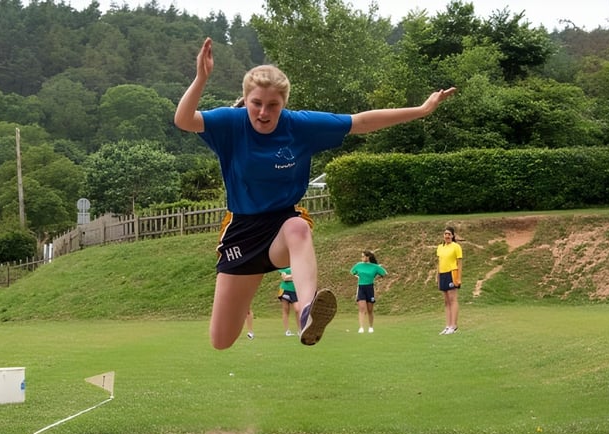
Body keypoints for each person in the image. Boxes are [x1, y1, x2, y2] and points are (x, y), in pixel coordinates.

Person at [175, 37, 458, 349]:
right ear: (246, 100)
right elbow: (184, 120)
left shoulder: (300, 126)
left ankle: (308, 312)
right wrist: (201, 78)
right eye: (256, 104)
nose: (264, 113)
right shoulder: (230, 123)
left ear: (284, 104)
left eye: (273, 105)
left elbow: (361, 122)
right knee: (221, 340)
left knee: (298, 227)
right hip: (242, 230)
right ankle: (251, 302)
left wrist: (421, 110)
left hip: (281, 225)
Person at [350, 250, 387, 333]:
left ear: (368, 257)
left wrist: (376, 277)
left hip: (370, 288)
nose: (362, 258)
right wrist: (358, 277)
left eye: (363, 256)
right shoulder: (358, 265)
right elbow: (352, 272)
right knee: (362, 308)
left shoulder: (375, 267)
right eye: (361, 256)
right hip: (361, 288)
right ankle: (361, 327)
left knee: (370, 309)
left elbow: (384, 274)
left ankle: (370, 327)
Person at [436, 226, 463, 335]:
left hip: (452, 273)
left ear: (452, 236)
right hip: (442, 274)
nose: (447, 236)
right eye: (445, 234)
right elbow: (439, 262)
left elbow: (459, 263)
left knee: (453, 299)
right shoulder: (440, 247)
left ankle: (454, 326)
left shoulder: (456, 247)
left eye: (449, 234)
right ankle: (447, 326)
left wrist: (459, 278)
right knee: (446, 301)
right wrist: (437, 276)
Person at [277, 267, 301, 336]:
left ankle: (300, 330)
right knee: (286, 309)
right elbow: (285, 278)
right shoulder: (283, 266)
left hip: (295, 290)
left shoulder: (297, 265)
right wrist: (295, 275)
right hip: (285, 289)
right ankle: (287, 331)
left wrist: (290, 276)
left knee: (297, 309)